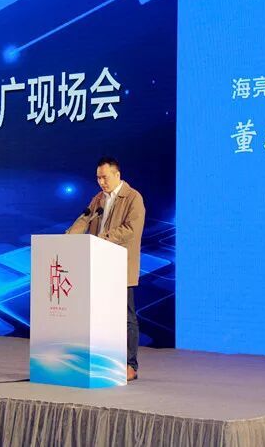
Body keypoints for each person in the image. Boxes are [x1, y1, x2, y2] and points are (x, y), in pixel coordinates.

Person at [67, 157, 146, 381]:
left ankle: (130, 365)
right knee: (99, 316)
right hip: (98, 265)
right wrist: (68, 237)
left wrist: (102, 238)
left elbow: (131, 229)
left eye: (105, 177)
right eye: (98, 178)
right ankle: (102, 360)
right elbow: (84, 219)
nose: (101, 182)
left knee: (126, 317)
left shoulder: (133, 197)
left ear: (117, 175)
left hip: (120, 266)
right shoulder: (98, 199)